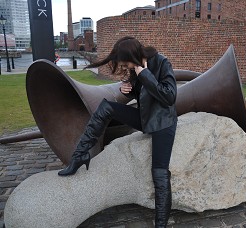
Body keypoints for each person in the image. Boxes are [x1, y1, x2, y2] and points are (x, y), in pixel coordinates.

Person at [58, 36, 178, 228]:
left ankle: (161, 225)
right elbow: (144, 94)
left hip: (163, 123)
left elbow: (169, 96)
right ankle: (80, 156)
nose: (126, 67)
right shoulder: (135, 67)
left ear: (133, 56)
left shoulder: (161, 62)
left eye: (126, 63)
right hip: (145, 118)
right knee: (106, 107)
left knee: (159, 172)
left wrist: (144, 74)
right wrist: (129, 90)